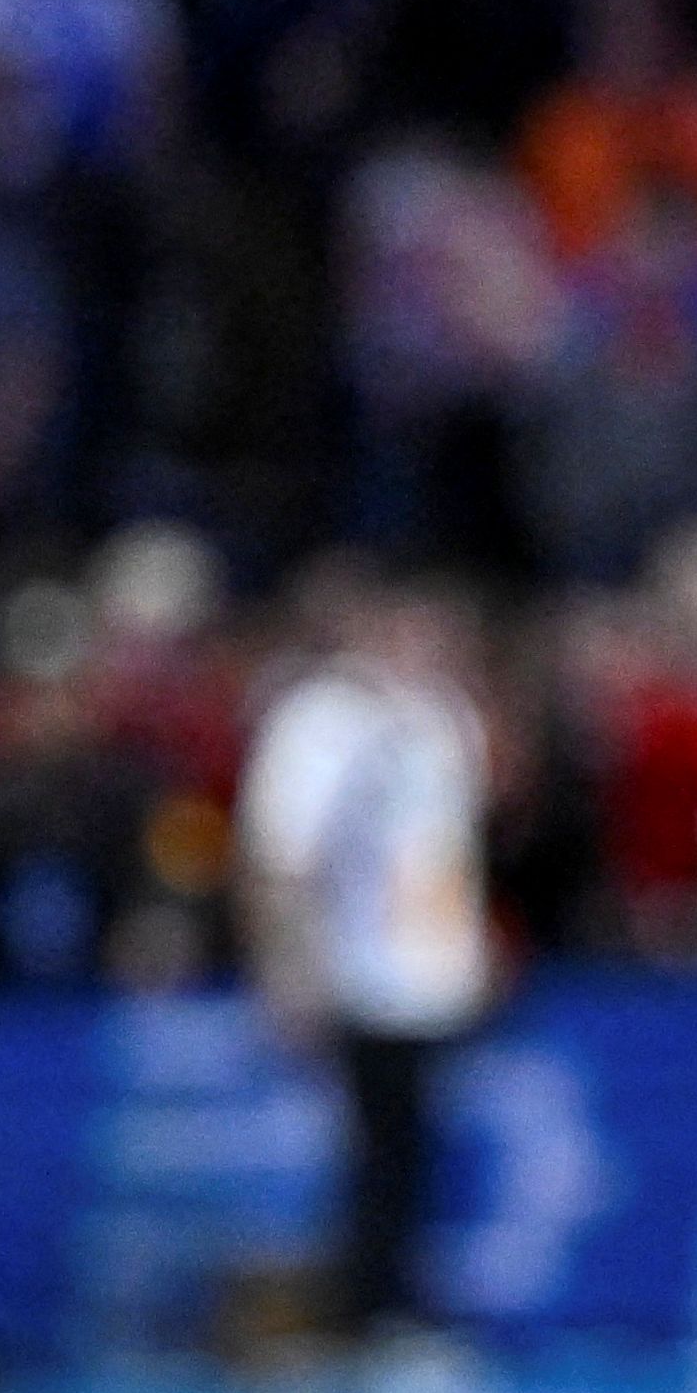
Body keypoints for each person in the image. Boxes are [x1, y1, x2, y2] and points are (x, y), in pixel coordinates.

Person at [236, 569, 501, 1350]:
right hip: (356, 968)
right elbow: (283, 856)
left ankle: (398, 1298)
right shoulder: (321, 722)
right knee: (371, 1144)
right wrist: (291, 967)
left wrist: (474, 948)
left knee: (416, 1142)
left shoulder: (441, 717)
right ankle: (366, 1307)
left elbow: (452, 850)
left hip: (431, 968)